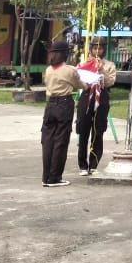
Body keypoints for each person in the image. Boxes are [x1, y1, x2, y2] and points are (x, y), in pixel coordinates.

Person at [41, 39, 85, 187]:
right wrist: (88, 85)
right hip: (64, 105)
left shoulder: (48, 70)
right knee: (60, 141)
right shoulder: (69, 70)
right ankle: (55, 178)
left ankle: (45, 177)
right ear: (65, 54)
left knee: (47, 142)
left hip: (50, 105)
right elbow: (80, 85)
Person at [75, 38, 118, 175]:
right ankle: (82, 164)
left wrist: (101, 71)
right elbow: (78, 78)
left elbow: (111, 81)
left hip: (102, 96)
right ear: (91, 49)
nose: (97, 51)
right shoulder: (84, 62)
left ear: (104, 49)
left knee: (98, 129)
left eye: (100, 49)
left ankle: (93, 163)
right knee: (83, 129)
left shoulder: (109, 65)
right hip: (87, 95)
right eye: (94, 48)